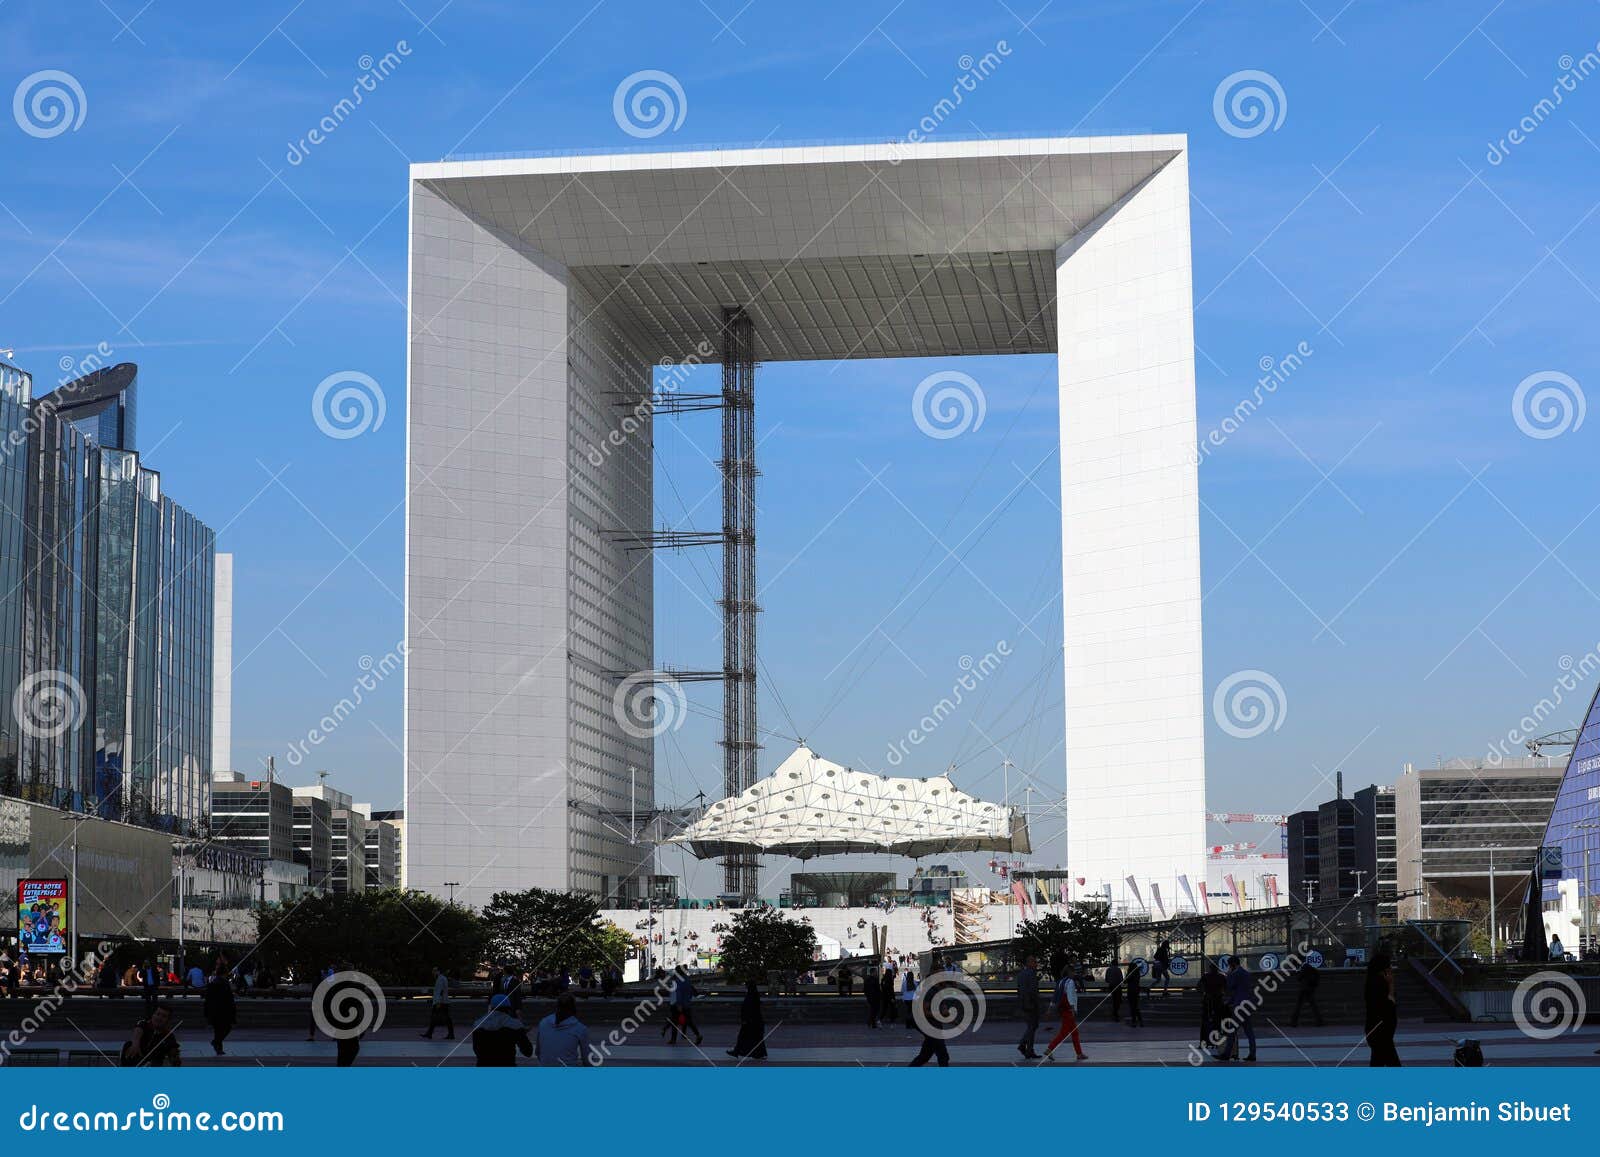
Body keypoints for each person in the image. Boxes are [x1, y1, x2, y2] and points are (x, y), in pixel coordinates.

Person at [472, 993, 534, 1066]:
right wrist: (522, 1034)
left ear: (491, 1007)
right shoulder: (515, 1025)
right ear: (509, 1008)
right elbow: (528, 1052)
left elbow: (476, 1050)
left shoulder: (478, 1024)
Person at [1364, 951, 1400, 1067]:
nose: (1391, 968)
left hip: (1378, 1032)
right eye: (1389, 965)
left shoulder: (1372, 982)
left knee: (1378, 1062)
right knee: (1392, 1064)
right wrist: (1391, 985)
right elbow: (1388, 1005)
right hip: (1381, 1033)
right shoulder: (1378, 984)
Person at [1043, 967, 1088, 1061]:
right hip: (1068, 1010)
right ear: (1070, 972)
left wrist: (1049, 1009)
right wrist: (1073, 1008)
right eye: (1073, 972)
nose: (1074, 974)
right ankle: (1050, 1048)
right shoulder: (1070, 982)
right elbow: (1071, 995)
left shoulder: (1060, 982)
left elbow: (1055, 996)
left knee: (1075, 1033)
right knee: (1064, 1033)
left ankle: (1079, 1053)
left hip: (1063, 1009)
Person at [1218, 956, 1257, 1062]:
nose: (1228, 967)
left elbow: (1230, 987)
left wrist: (1228, 975)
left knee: (1231, 1030)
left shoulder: (1235, 974)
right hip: (1248, 1004)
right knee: (1249, 1031)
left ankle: (1226, 1054)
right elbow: (1242, 990)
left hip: (1239, 1005)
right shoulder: (1247, 973)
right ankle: (1252, 1054)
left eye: (1229, 965)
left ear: (1233, 964)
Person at [535, 993, 591, 1066]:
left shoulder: (543, 1023)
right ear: (574, 1008)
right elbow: (587, 1060)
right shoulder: (580, 1029)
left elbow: (538, 1052)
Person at [726, 979, 768, 1060]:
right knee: (755, 1038)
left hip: (750, 1021)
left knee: (743, 1036)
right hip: (755, 1021)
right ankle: (758, 1053)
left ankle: (737, 1051)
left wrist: (745, 1019)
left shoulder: (751, 996)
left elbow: (748, 1009)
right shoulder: (754, 995)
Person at [203, 959, 236, 1056]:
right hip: (223, 1010)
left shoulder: (212, 983)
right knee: (226, 1028)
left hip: (214, 1010)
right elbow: (229, 1000)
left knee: (218, 1030)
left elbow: (207, 1000)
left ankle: (218, 1048)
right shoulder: (224, 984)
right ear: (224, 973)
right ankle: (216, 1043)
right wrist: (233, 1014)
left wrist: (207, 1013)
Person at [668, 966, 703, 1046]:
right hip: (687, 1004)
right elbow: (691, 990)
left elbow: (678, 992)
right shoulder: (687, 979)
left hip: (679, 1004)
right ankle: (698, 1035)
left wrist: (679, 1004)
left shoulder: (678, 981)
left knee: (674, 1022)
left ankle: (673, 1039)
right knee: (689, 1022)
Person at [1016, 955, 1042, 1059]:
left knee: (1031, 1026)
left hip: (1023, 1003)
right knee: (1033, 1026)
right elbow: (1033, 991)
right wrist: (1036, 1003)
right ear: (1029, 963)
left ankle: (1029, 1050)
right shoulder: (1031, 974)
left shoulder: (1021, 974)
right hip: (1031, 1004)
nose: (1036, 964)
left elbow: (1019, 989)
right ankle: (1023, 1045)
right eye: (1034, 962)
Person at [420, 965, 455, 1040]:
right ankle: (430, 1033)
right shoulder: (441, 978)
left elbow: (440, 991)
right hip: (442, 1002)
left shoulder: (440, 979)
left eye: (435, 971)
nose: (433, 972)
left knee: (440, 1018)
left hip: (441, 1002)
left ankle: (430, 1033)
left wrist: (438, 1002)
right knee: (442, 1018)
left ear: (438, 971)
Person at [1199, 959, 1227, 1049]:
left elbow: (1199, 987)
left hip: (1207, 1001)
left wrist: (1205, 993)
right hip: (1218, 1001)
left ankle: (1204, 1042)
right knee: (1217, 1022)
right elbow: (1226, 988)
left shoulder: (1206, 976)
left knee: (1205, 1023)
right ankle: (1216, 1041)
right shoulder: (1221, 977)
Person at [1290, 958, 1324, 1027]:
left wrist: (1298, 973)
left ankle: (1294, 1022)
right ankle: (1319, 1021)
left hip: (1304, 989)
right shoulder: (1308, 967)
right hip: (1309, 989)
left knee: (1299, 1006)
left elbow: (1299, 978)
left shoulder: (1304, 967)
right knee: (1313, 1006)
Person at [1124, 959, 1144, 1027]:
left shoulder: (1130, 973)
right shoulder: (1137, 973)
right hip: (1136, 991)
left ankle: (1134, 1022)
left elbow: (1125, 981)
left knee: (1132, 1007)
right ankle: (1140, 1021)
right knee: (1136, 1007)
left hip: (1131, 991)